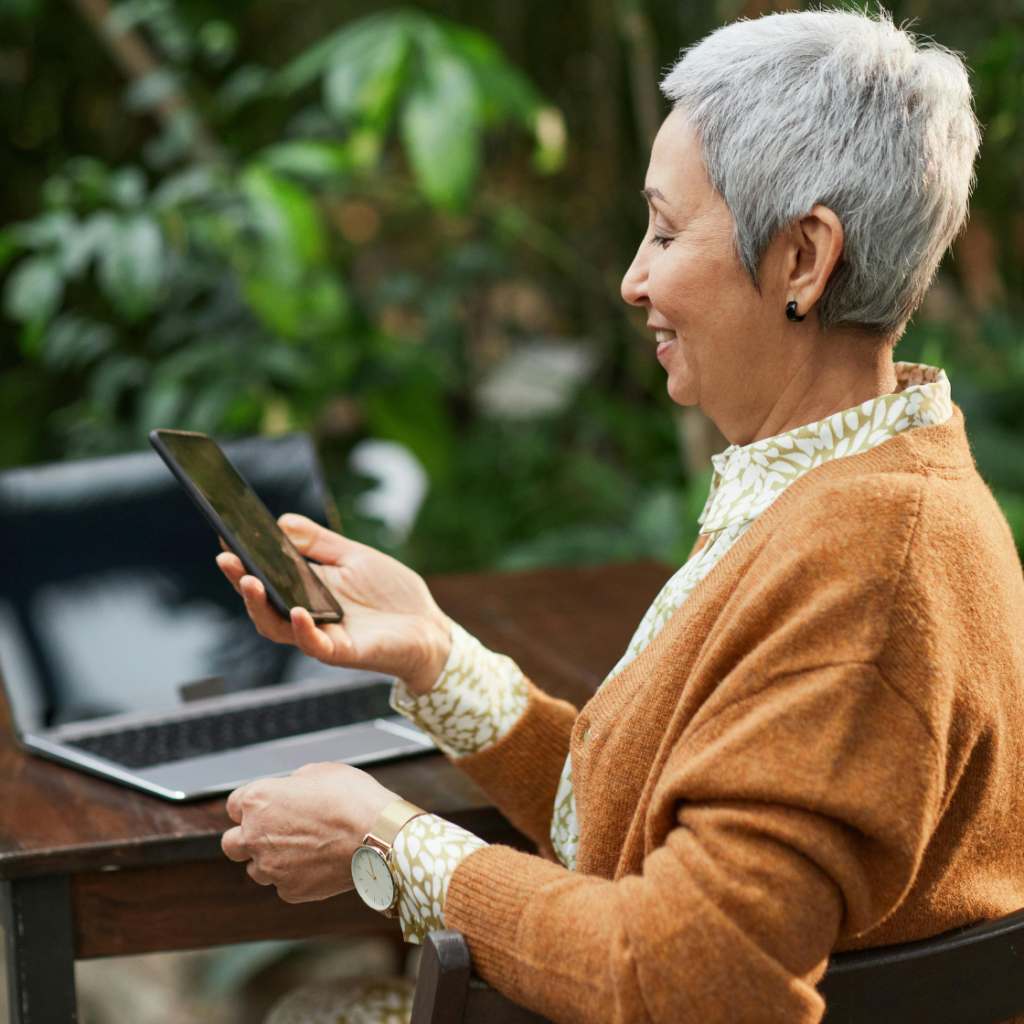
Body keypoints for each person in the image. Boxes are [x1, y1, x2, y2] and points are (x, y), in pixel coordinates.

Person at [217, 10, 1024, 1024]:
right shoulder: (838, 490)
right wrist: (433, 656)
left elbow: (687, 977)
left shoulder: (870, 565)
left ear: (802, 260)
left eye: (667, 229)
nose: (632, 278)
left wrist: (387, 838)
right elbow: (641, 823)